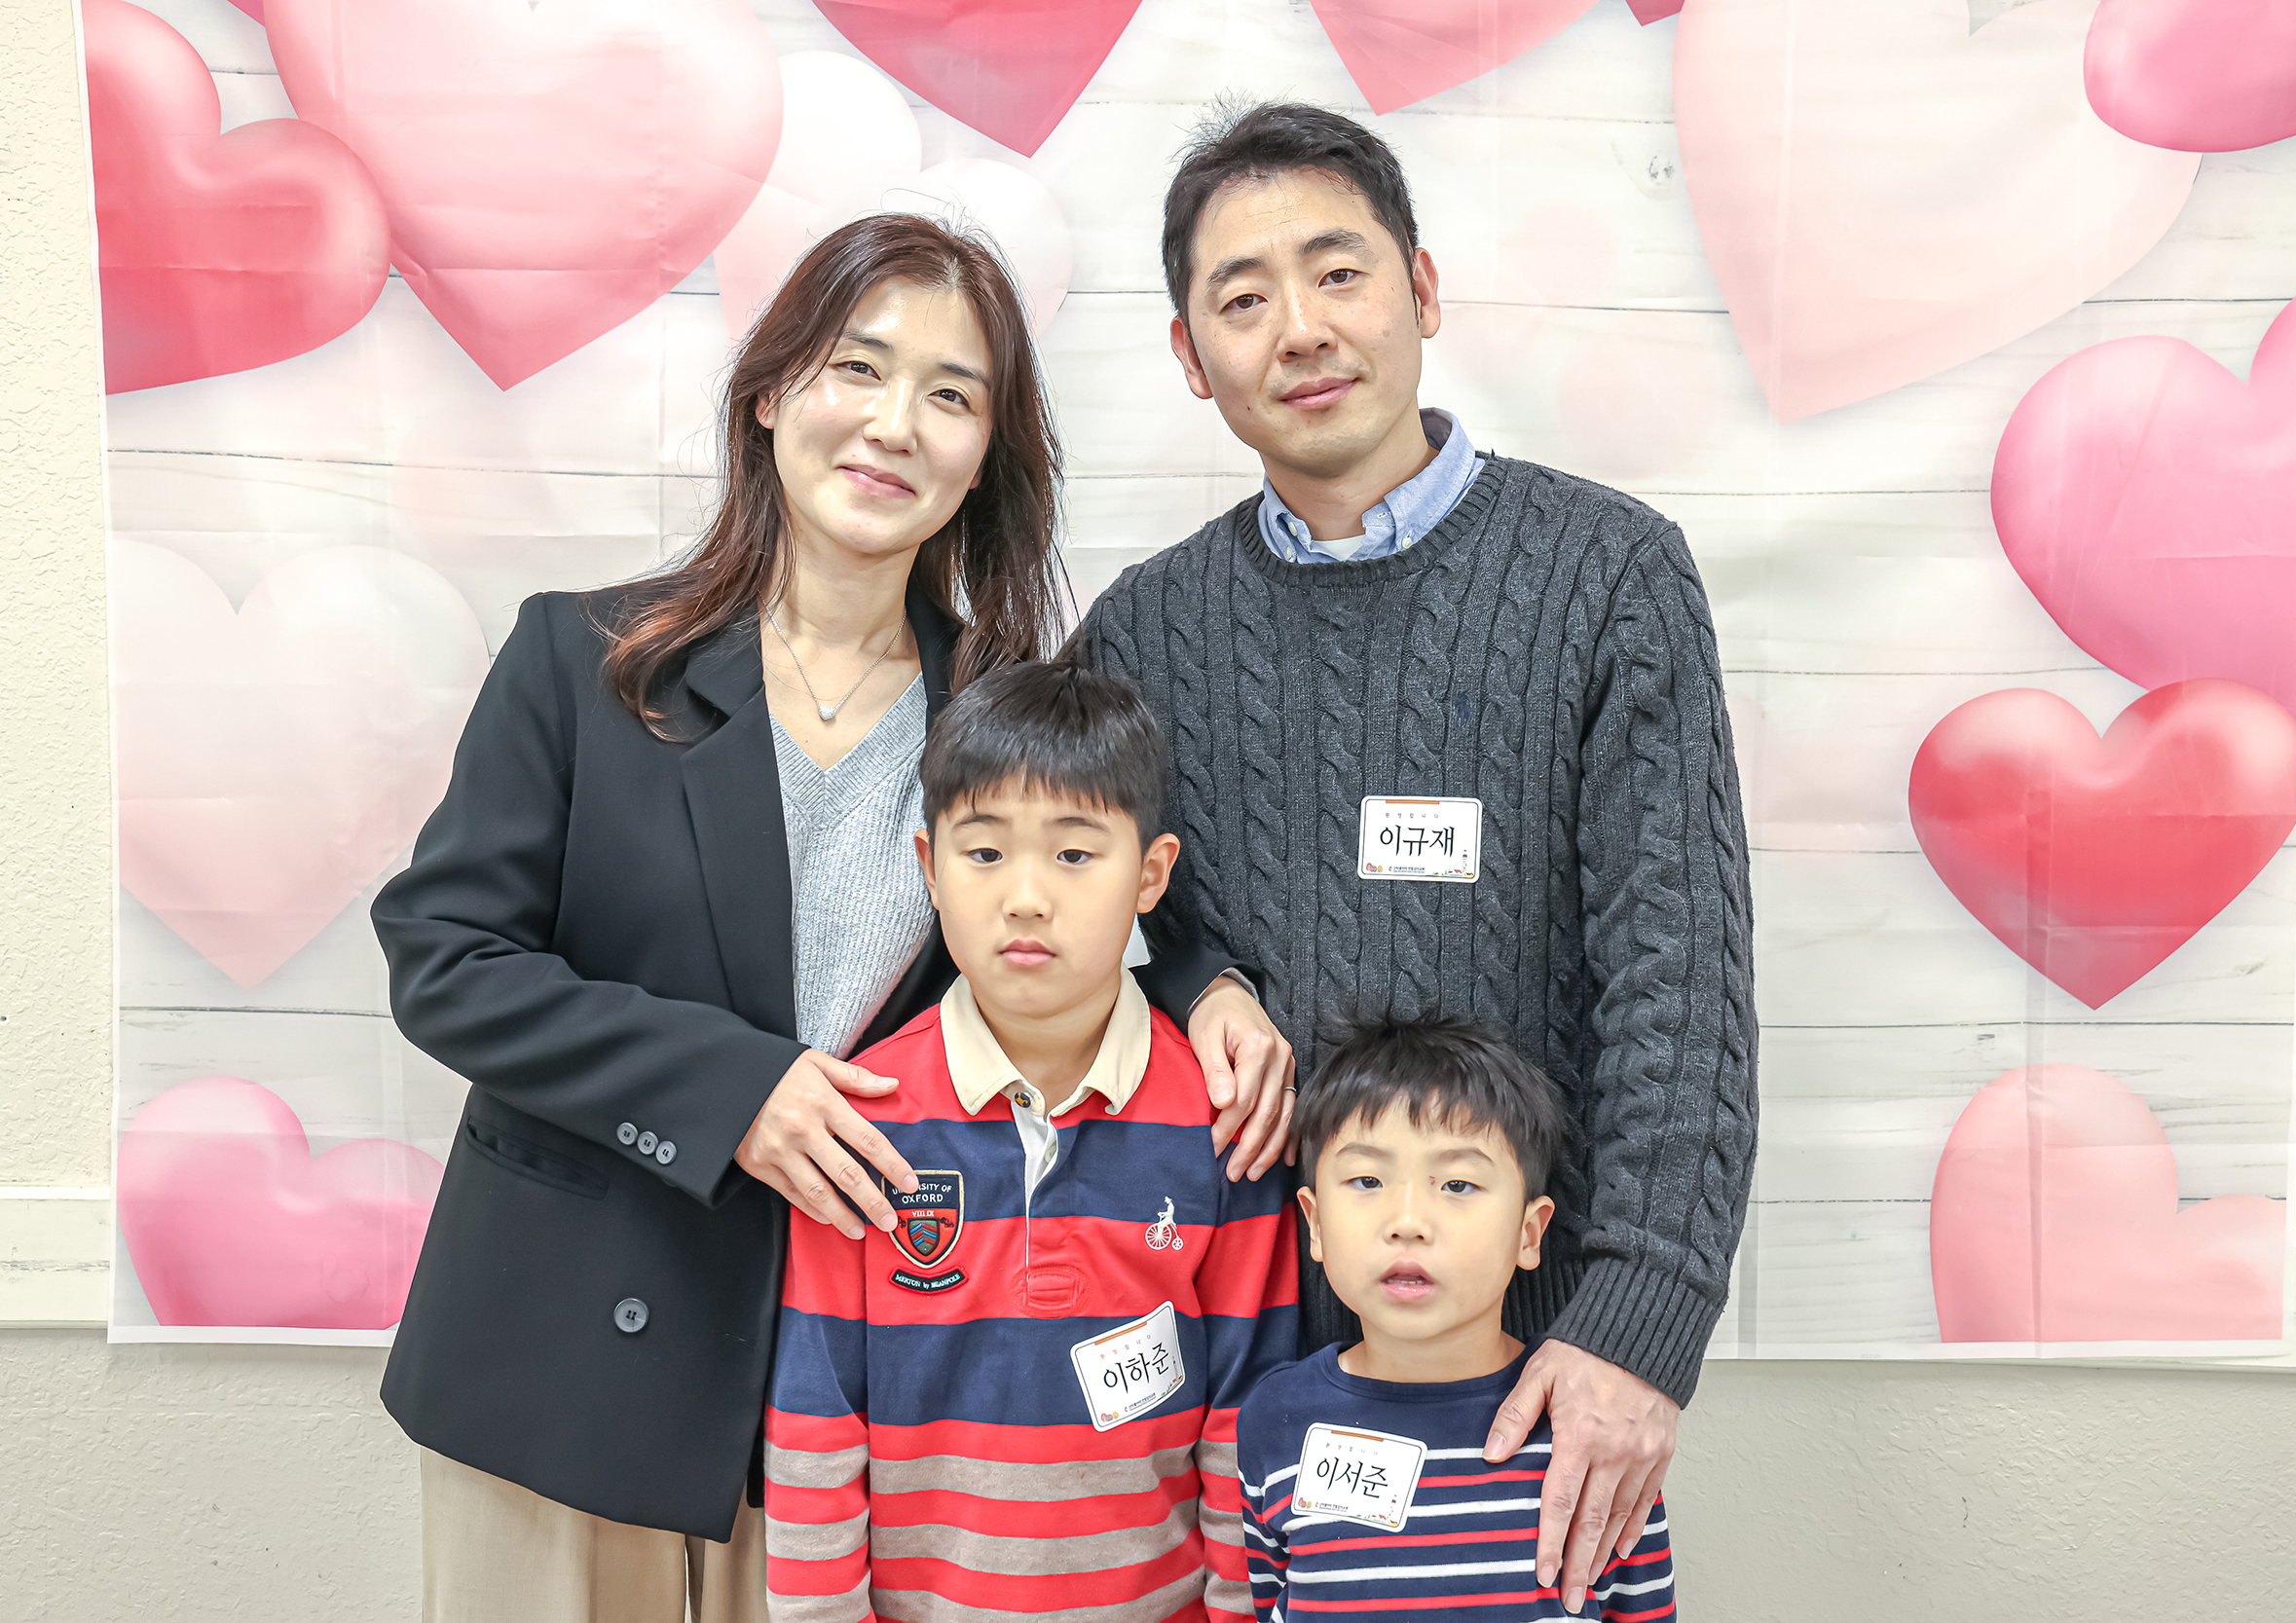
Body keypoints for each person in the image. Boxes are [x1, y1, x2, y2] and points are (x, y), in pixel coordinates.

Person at [370, 215, 1293, 1623]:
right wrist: (735, 1090)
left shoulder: (997, 714)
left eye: (950, 394)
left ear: (984, 455)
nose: (894, 424)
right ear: (770, 393)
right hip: (561, 1370)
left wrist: (1210, 984)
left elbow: (1087, 896)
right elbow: (446, 961)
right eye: (857, 368)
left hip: (844, 1413)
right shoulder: (589, 659)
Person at [1070, 102, 1757, 1611]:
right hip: (1247, 1370)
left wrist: (1641, 1323)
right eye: (1243, 299)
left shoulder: (1610, 574)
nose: (1301, 329)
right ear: (1191, 356)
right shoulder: (1144, 631)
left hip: (1538, 1358)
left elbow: (1682, 975)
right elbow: (1067, 899)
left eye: (1340, 273)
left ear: (1423, 291)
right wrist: (1200, 977)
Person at [762, 660, 1301, 1620]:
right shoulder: (863, 1114)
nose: (1024, 896)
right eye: (983, 852)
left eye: (1074, 853)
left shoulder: (1220, 1118)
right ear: (929, 867)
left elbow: (1245, 1417)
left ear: (1151, 874)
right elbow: (816, 1420)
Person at [1238, 1015, 1675, 1621]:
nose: (1407, 1221)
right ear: (1314, 1223)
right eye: (1367, 1179)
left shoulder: (1589, 1425)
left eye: (1459, 1185)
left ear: (1529, 1233)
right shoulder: (1274, 1418)